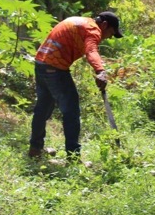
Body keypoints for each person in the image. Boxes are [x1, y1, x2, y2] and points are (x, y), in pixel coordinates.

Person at [28, 12, 123, 159]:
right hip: (55, 67)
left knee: (43, 108)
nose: (109, 37)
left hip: (41, 62)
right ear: (104, 25)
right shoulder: (93, 30)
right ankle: (73, 157)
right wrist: (100, 71)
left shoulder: (80, 21)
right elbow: (91, 51)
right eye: (111, 33)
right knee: (71, 111)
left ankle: (35, 149)